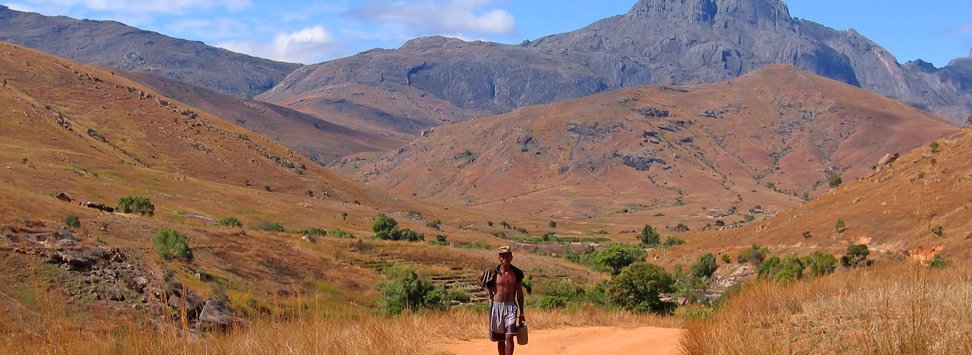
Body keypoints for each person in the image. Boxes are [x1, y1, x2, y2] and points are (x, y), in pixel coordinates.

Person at [479, 245, 525, 355]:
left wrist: (522, 312)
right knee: (500, 339)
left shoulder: (517, 273)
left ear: (511, 257)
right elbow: (479, 278)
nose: (505, 259)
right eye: (502, 256)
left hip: (511, 308)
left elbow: (519, 293)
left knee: (509, 336)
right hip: (496, 306)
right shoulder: (492, 272)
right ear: (499, 258)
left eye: (507, 256)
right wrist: (487, 291)